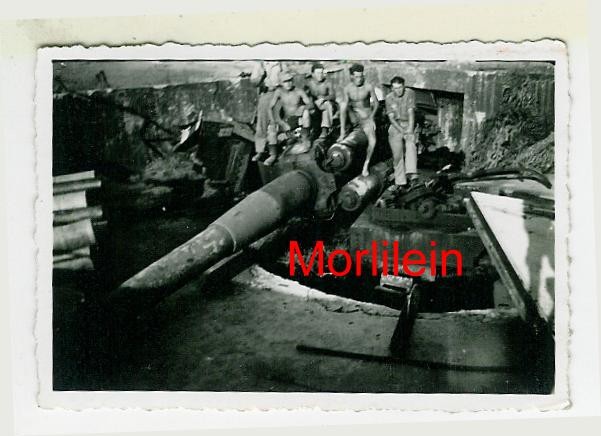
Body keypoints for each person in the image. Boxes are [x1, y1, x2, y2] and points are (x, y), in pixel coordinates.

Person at [338, 63, 379, 176]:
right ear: (351, 76)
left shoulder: (368, 86)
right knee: (342, 105)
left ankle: (366, 164)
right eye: (356, 77)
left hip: (366, 118)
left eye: (361, 76)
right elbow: (345, 105)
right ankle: (342, 132)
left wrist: (372, 118)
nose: (359, 79)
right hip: (354, 116)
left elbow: (376, 104)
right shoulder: (347, 89)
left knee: (373, 141)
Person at [267, 71, 314, 165]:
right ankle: (273, 155)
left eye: (289, 80)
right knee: (271, 128)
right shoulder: (279, 92)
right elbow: (270, 107)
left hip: (297, 119)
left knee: (306, 113)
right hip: (286, 120)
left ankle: (305, 140)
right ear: (281, 83)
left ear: (292, 81)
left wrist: (303, 108)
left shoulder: (298, 91)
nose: (288, 83)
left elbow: (310, 104)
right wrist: (274, 121)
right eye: (285, 81)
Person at [385, 76, 418, 190]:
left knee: (410, 144)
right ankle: (400, 182)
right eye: (395, 88)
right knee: (397, 154)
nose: (398, 90)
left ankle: (412, 174)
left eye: (400, 88)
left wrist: (410, 130)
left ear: (404, 86)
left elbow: (411, 113)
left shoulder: (410, 93)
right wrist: (401, 131)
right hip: (396, 125)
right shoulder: (389, 98)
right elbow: (391, 118)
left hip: (408, 123)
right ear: (392, 88)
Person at [250, 61, 284, 162]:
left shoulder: (280, 63)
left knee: (273, 124)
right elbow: (254, 82)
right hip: (265, 94)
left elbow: (287, 78)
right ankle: (259, 151)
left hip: (278, 93)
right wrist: (261, 76)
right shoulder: (260, 64)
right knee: (261, 124)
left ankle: (273, 154)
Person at [306, 62, 336, 138]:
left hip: (326, 105)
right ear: (313, 74)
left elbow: (333, 96)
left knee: (326, 105)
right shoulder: (309, 83)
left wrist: (323, 99)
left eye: (321, 73)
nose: (320, 75)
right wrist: (311, 102)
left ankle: (325, 129)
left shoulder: (327, 83)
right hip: (315, 105)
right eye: (318, 73)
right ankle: (310, 130)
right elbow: (306, 96)